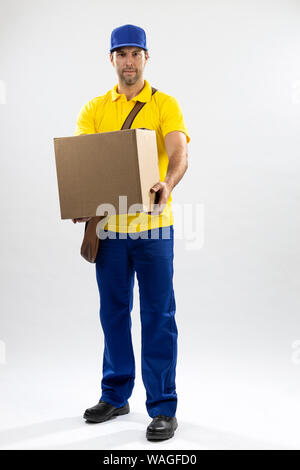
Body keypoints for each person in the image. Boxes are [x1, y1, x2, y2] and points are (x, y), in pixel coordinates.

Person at [72, 24, 190, 441]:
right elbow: (86, 164)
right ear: (111, 60)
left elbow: (178, 152)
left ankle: (161, 407)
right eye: (121, 54)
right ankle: (116, 393)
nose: (128, 61)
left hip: (154, 230)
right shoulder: (94, 109)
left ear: (145, 58)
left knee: (159, 316)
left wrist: (168, 183)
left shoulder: (164, 105)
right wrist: (82, 202)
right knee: (114, 314)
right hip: (110, 230)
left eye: (135, 53)